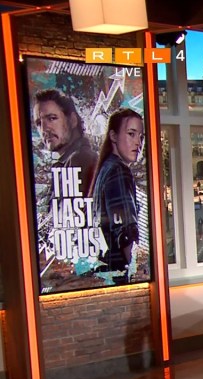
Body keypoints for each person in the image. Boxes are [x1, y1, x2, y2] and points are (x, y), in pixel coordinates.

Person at [90, 108, 144, 284]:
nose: (138, 143)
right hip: (120, 273)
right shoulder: (118, 171)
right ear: (113, 136)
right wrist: (138, 273)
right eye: (131, 134)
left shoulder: (105, 169)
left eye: (141, 137)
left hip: (108, 271)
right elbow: (126, 233)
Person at [34, 89, 98, 198]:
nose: (44, 129)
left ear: (72, 120)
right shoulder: (69, 161)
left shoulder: (80, 158)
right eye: (39, 123)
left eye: (52, 118)